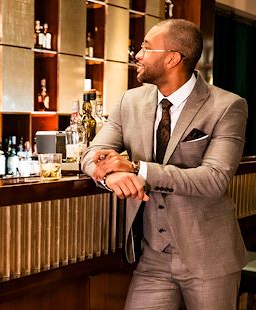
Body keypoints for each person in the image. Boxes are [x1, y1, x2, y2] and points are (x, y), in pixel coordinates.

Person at [81, 19, 248, 309]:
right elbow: (93, 152)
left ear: (172, 58)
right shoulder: (129, 101)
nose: (138, 55)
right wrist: (109, 177)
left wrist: (135, 169)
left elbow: (214, 179)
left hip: (208, 257)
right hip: (153, 257)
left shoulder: (227, 106)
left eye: (146, 47)